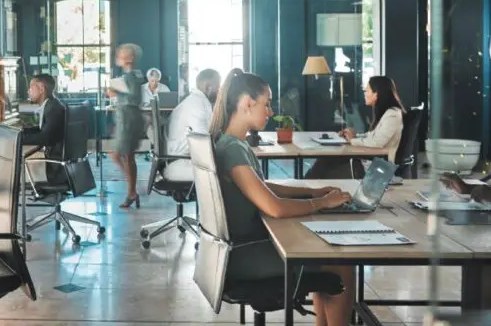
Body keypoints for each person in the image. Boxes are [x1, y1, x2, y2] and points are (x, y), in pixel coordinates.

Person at [210, 68, 355, 326]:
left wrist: (313, 192)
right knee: (340, 263)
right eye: (266, 104)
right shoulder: (233, 149)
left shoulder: (232, 143)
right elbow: (273, 207)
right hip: (243, 257)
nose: (271, 111)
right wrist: (321, 204)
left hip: (241, 249)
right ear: (247, 104)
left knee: (328, 254)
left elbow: (264, 188)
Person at [306, 76, 405, 179]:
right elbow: (373, 136)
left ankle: (304, 187)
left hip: (377, 167)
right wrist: (354, 136)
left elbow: (378, 142)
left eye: (367, 91)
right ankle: (305, 187)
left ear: (376, 94)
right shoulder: (387, 113)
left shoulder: (392, 115)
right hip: (369, 160)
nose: (365, 93)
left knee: (325, 164)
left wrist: (352, 140)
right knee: (325, 159)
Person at [163, 69, 221, 181]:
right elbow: (204, 143)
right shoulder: (197, 105)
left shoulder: (198, 101)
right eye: (218, 87)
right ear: (208, 87)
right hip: (179, 164)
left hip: (184, 159)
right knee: (230, 171)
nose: (220, 91)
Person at [107, 43, 146, 209]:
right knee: (124, 156)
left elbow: (134, 97)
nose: (118, 57)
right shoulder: (130, 75)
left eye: (122, 55)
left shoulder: (132, 76)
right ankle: (132, 190)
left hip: (128, 118)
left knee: (119, 155)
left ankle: (133, 190)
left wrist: (116, 92)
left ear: (130, 58)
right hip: (126, 117)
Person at [23, 73, 66, 184]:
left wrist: (18, 139)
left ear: (41, 89)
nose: (29, 91)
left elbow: (44, 138)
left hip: (54, 164)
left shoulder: (53, 109)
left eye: (31, 87)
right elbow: (45, 129)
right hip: (55, 158)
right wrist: (24, 132)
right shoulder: (51, 105)